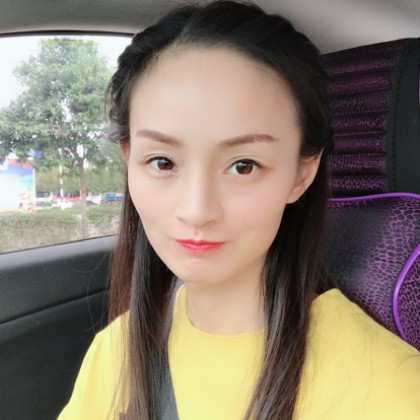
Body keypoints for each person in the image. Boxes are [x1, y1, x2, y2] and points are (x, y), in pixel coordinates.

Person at [58, 1, 420, 419]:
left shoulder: (390, 389)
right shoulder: (113, 352)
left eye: (243, 166)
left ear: (302, 173)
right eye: (162, 162)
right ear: (129, 161)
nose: (196, 210)